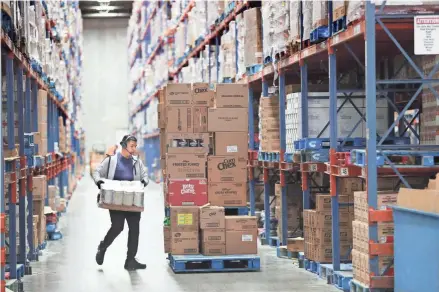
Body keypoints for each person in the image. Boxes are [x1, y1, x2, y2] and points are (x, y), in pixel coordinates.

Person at [92, 135, 149, 270]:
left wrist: (144, 181)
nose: (134, 149)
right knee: (118, 227)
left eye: (135, 146)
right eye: (132, 146)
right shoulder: (111, 161)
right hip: (116, 200)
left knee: (135, 229)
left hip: (132, 199)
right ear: (124, 146)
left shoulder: (137, 161)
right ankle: (103, 247)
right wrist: (99, 182)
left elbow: (145, 175)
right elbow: (97, 172)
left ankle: (130, 260)